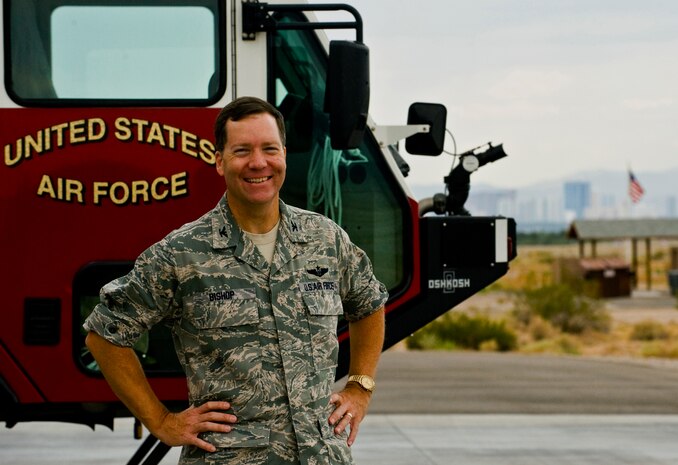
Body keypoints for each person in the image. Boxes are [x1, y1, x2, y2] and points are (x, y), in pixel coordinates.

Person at [84, 96, 387, 465]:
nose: (258, 163)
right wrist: (162, 421)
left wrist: (360, 386)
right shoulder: (182, 253)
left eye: (269, 149)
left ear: (285, 155)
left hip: (322, 455)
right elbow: (104, 334)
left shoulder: (325, 239)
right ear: (219, 160)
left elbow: (368, 303)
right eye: (242, 150)